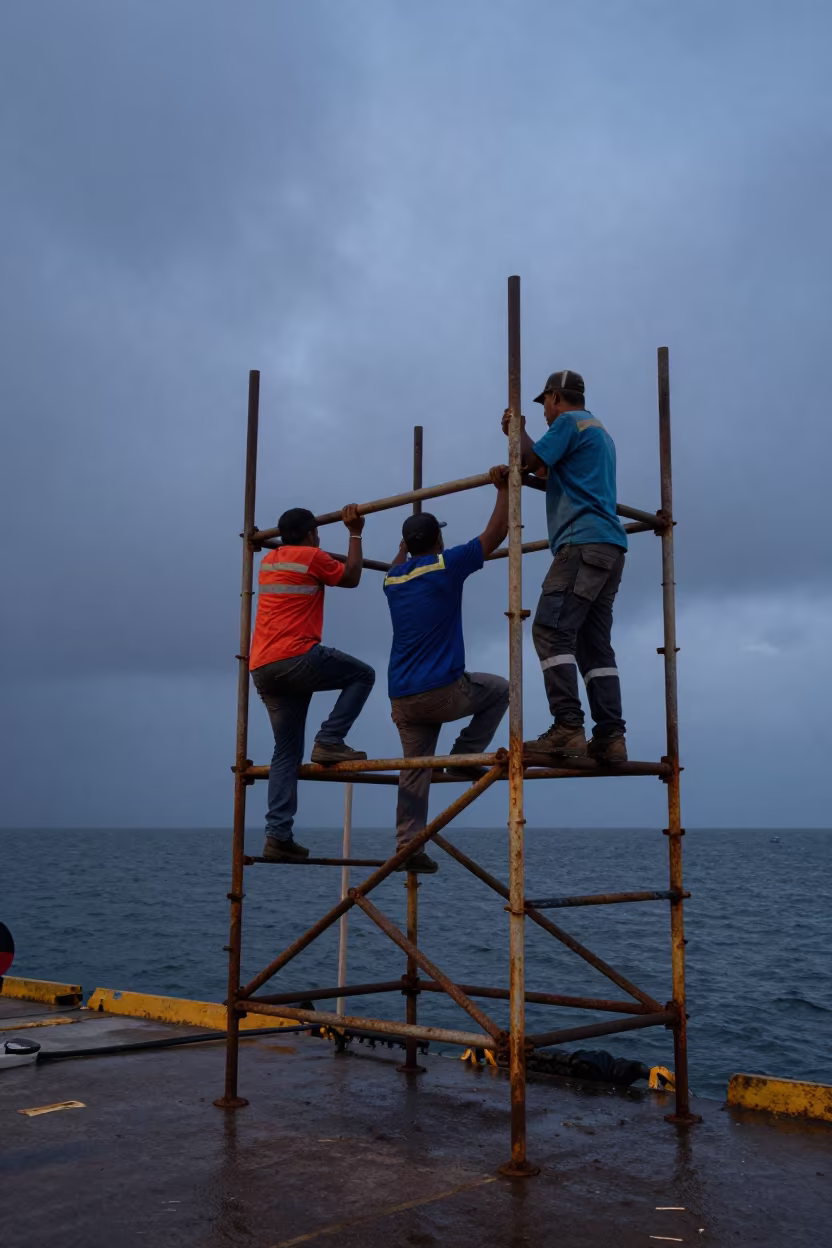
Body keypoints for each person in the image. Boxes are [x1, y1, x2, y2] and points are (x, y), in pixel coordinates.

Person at [382, 467, 511, 874]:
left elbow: (397, 560)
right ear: (437, 540)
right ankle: (465, 754)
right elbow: (495, 535)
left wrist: (404, 544)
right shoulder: (446, 564)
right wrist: (504, 487)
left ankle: (408, 846)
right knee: (501, 689)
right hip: (442, 692)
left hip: (402, 698)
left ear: (405, 544)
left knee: (414, 770)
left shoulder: (391, 579)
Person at [501, 369, 628, 765]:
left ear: (556, 397)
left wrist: (514, 432)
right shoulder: (598, 431)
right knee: (593, 645)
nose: (544, 414)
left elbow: (529, 460)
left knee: (550, 630)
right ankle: (610, 736)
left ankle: (568, 727)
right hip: (609, 547)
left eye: (545, 405)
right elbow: (545, 469)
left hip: (581, 544)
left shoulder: (569, 422)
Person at [249, 505, 375, 862]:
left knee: (286, 754)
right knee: (363, 674)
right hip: (296, 658)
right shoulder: (311, 556)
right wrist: (355, 532)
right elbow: (351, 577)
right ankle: (330, 740)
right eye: (317, 533)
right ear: (309, 535)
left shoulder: (268, 561)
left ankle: (278, 836)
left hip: (263, 667)